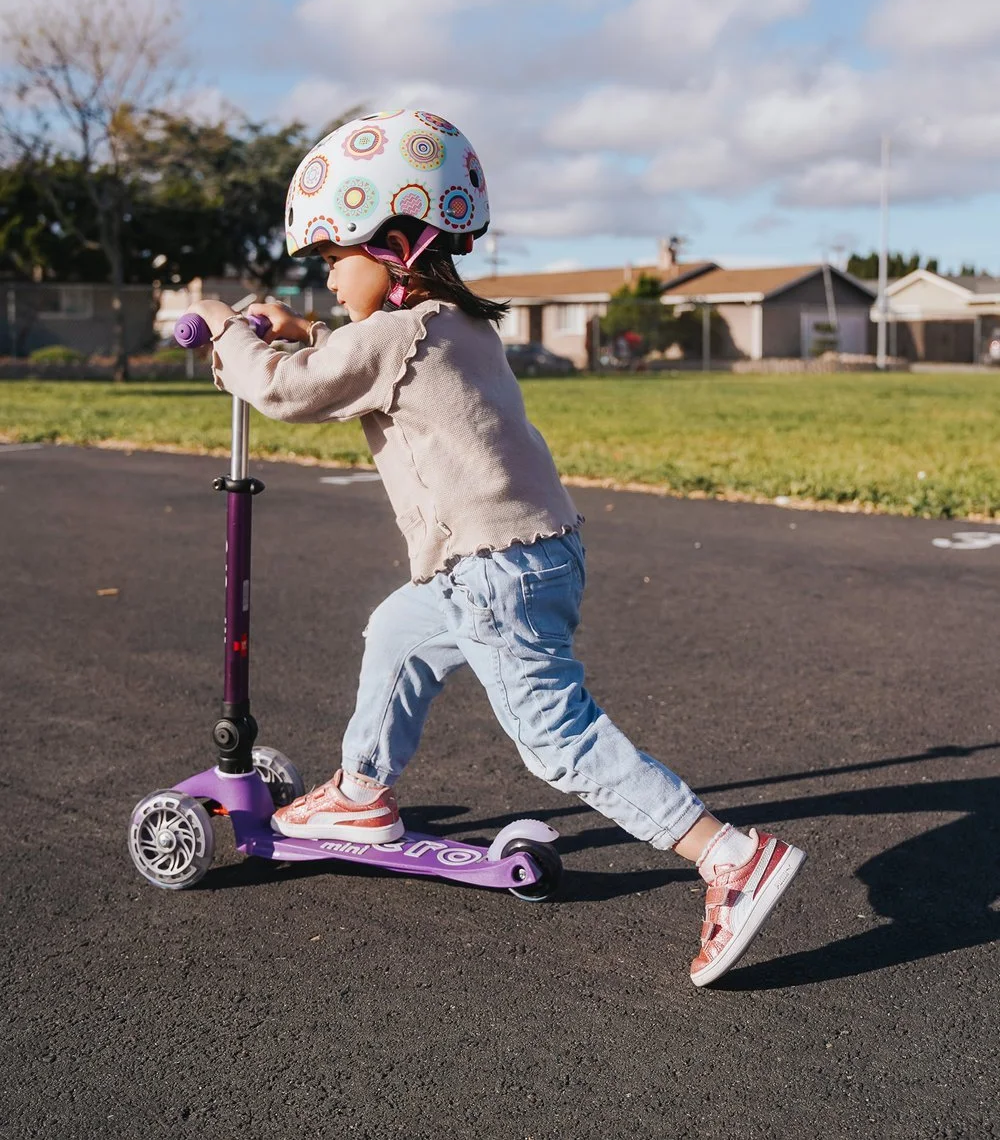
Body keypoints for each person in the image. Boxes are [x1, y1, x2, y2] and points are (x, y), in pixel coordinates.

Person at [194, 110, 805, 986]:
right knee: (398, 629)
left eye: (333, 256)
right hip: (532, 553)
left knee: (556, 739)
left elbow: (288, 394)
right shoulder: (454, 324)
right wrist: (307, 332)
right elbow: (366, 361)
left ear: (395, 247)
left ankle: (728, 855)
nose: (325, 276)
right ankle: (360, 792)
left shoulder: (395, 335)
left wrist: (228, 328)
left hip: (490, 571)